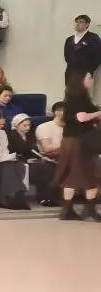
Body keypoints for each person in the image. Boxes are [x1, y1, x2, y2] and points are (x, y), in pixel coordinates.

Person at [56, 69, 100, 220]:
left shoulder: (71, 98)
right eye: (89, 77)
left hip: (70, 140)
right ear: (80, 80)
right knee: (91, 174)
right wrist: (98, 113)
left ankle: (67, 210)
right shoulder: (79, 98)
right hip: (81, 141)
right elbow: (82, 118)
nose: (91, 80)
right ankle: (90, 210)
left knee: (72, 175)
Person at [8, 113, 58, 207]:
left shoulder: (30, 136)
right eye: (25, 125)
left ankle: (47, 197)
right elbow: (11, 153)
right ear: (17, 125)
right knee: (41, 170)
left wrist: (40, 157)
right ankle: (42, 198)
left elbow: (33, 150)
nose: (27, 128)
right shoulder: (11, 136)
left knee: (47, 167)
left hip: (31, 161)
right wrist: (25, 160)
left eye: (29, 125)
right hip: (17, 162)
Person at [63, 14, 101, 82]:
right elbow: (66, 56)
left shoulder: (93, 38)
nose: (77, 24)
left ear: (87, 24)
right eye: (76, 22)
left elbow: (98, 56)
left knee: (83, 89)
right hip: (70, 73)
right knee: (69, 89)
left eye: (81, 22)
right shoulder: (69, 40)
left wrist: (89, 71)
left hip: (85, 74)